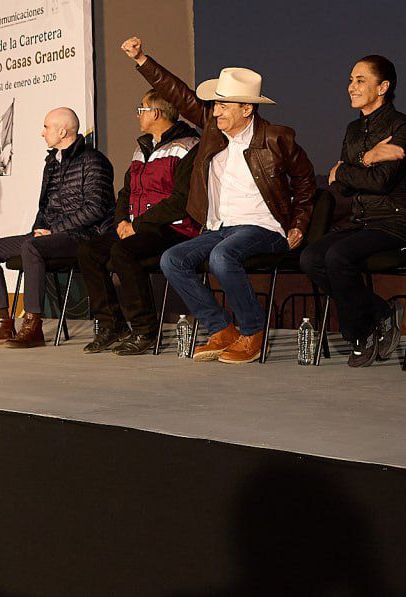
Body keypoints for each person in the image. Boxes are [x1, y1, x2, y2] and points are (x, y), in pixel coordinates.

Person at [122, 36, 316, 364]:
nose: (216, 111)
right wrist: (142, 59)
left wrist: (299, 223)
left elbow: (305, 181)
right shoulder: (214, 131)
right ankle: (222, 329)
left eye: (224, 106)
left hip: (262, 227)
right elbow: (178, 94)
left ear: (247, 109)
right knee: (172, 259)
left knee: (222, 257)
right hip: (220, 227)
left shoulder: (275, 138)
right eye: (215, 105)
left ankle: (253, 332)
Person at [300, 55, 406, 367]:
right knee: (311, 258)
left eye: (360, 80)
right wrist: (364, 162)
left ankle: (358, 334)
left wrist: (349, 168)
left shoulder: (403, 126)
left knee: (338, 256)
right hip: (363, 221)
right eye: (351, 80)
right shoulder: (353, 130)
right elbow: (341, 188)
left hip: (397, 219)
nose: (351, 87)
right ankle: (381, 313)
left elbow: (381, 182)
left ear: (382, 87)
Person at [0, 107, 115, 348]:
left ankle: (33, 326)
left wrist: (54, 231)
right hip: (50, 235)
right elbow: (44, 207)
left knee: (32, 247)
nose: (41, 133)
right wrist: (39, 229)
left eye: (46, 127)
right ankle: (2, 324)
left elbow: (96, 209)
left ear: (63, 131)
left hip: (83, 236)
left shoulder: (94, 161)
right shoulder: (52, 163)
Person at [76, 90, 200, 355]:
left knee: (123, 252)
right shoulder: (142, 148)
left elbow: (181, 201)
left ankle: (145, 331)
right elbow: (125, 193)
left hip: (173, 228)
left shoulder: (188, 147)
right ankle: (112, 325)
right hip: (138, 226)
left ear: (156, 113)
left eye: (141, 109)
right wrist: (122, 221)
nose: (137, 115)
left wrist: (138, 225)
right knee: (89, 251)